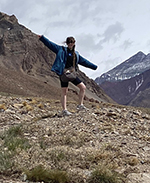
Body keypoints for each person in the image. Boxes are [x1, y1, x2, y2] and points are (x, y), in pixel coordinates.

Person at [39, 35, 97, 116]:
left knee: (83, 87)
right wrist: (42, 38)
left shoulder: (76, 54)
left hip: (72, 74)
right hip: (63, 74)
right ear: (66, 43)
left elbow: (84, 61)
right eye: (69, 42)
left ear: (74, 43)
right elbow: (50, 44)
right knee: (64, 91)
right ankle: (64, 110)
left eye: (72, 42)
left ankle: (80, 105)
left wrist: (94, 67)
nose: (70, 44)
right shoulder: (61, 49)